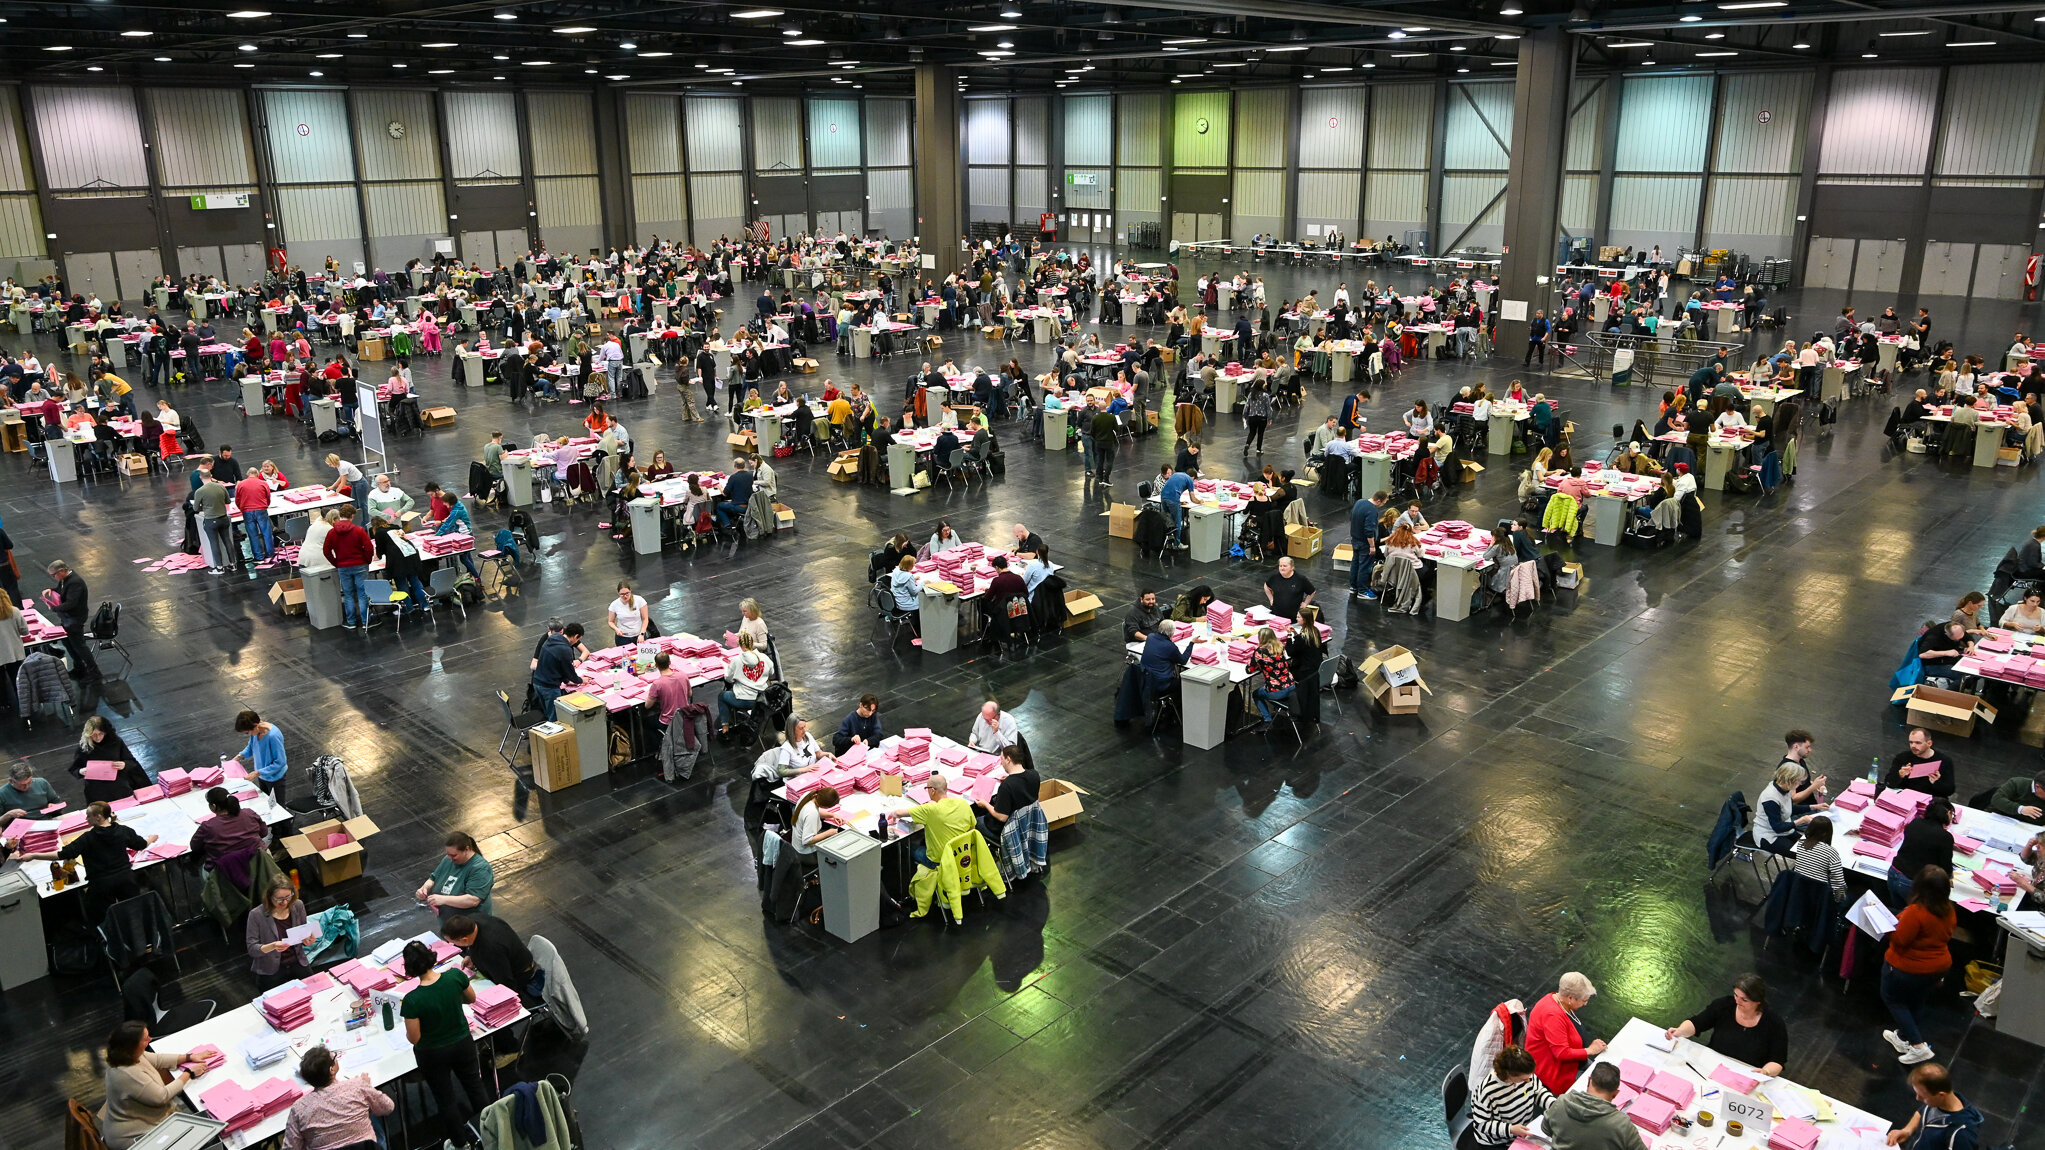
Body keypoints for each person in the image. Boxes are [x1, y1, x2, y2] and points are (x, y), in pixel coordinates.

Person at [398, 940, 491, 1150]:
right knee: (475, 1086)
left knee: (445, 1099)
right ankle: (493, 1131)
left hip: (432, 1054)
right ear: (431, 957)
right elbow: (470, 999)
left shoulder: (412, 1000)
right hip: (462, 1043)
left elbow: (414, 1038)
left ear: (409, 967)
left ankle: (460, 1144)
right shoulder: (455, 976)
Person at [17, 801, 153, 924]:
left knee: (101, 918)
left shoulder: (88, 838)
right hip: (127, 880)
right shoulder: (124, 831)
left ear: (98, 816)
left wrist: (34, 855)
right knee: (134, 915)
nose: (86, 818)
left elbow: (63, 854)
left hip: (101, 886)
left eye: (88, 815)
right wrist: (150, 839)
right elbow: (140, 844)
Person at [1882, 866, 1956, 1065]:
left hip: (1907, 967)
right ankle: (1904, 1037)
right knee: (1917, 1000)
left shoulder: (1916, 912)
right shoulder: (1949, 910)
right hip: (1937, 968)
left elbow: (1900, 940)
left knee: (1894, 999)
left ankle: (1917, 1045)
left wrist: (1887, 926)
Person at [97, 1021, 206, 1150]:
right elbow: (162, 1096)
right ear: (133, 1045)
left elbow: (158, 1059)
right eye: (145, 1039)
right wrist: (189, 1073)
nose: (150, 1039)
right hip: (134, 1138)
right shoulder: (128, 1073)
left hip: (141, 1123)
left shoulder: (128, 1055)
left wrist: (189, 1057)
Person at [1662, 973, 1787, 1077]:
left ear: (1758, 1002)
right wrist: (1680, 1031)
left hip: (1746, 1075)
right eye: (1736, 995)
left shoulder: (1774, 1023)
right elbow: (1697, 1023)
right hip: (1712, 1067)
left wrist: (1765, 1071)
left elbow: (1778, 1060)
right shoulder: (1724, 1006)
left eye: (1744, 1000)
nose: (1737, 1002)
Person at [282, 1045, 394, 1150]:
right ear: (332, 1070)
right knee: (371, 1115)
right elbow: (388, 1107)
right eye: (334, 1057)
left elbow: (290, 1147)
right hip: (366, 1147)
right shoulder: (357, 1086)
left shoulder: (299, 1108)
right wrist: (368, 1089)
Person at [1526, 972, 1606, 1094]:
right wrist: (1591, 1050)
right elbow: (1562, 1053)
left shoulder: (1558, 1001)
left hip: (1576, 1062)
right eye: (1584, 1000)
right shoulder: (1552, 1016)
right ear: (1570, 998)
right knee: (1599, 1092)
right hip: (1556, 1072)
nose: (1586, 1004)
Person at [1468, 1045, 1555, 1149]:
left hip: (1522, 1131)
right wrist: (1511, 1129)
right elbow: (1482, 1125)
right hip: (1498, 1142)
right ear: (1508, 1075)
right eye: (1523, 1079)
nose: (1528, 1081)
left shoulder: (1525, 1075)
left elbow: (1537, 1092)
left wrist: (1555, 1105)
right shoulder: (1487, 1091)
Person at [439, 913, 542, 1000]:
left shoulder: (490, 949)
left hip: (518, 975)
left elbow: (506, 983)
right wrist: (471, 956)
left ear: (464, 940)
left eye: (452, 942)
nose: (450, 944)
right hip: (511, 959)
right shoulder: (474, 920)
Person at [1540, 1062, 1641, 1150]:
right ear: (1615, 1094)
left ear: (1589, 1080)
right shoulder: (1622, 1125)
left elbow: (1546, 1129)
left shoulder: (1561, 1102)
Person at [1885, 1063, 1984, 1150]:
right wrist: (1907, 1131)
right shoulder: (1938, 1100)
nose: (1917, 1098)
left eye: (1923, 1096)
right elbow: (1922, 1112)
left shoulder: (1961, 1135)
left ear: (1941, 1095)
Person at [888, 772, 977, 867]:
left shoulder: (930, 809)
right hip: (962, 856)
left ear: (933, 791)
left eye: (927, 788)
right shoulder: (963, 803)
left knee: (906, 846)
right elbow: (972, 830)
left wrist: (891, 814)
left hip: (939, 861)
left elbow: (898, 813)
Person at [246, 875, 314, 988]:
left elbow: (302, 933)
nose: (284, 902)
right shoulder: (256, 915)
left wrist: (307, 940)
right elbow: (252, 949)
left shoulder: (298, 905)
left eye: (288, 897)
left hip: (297, 962)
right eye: (279, 899)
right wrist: (273, 946)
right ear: (269, 896)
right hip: (271, 970)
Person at [1890, 798, 1957, 908]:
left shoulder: (1915, 823)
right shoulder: (1945, 837)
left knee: (1898, 914)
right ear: (1948, 813)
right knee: (1913, 919)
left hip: (1894, 873)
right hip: (1912, 882)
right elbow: (1945, 869)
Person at [415, 831, 494, 919]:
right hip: (450, 922)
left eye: (454, 855)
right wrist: (424, 888)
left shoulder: (480, 868)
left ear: (466, 850)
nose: (450, 858)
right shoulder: (448, 860)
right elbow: (433, 878)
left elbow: (473, 900)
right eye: (448, 854)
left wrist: (443, 899)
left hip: (470, 923)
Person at [42, 559, 99, 680]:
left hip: (75, 618)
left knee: (79, 645)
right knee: (67, 642)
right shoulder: (64, 580)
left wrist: (54, 608)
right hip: (68, 618)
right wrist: (51, 590)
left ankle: (94, 671)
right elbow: (61, 590)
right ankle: (79, 667)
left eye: (54, 575)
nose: (53, 577)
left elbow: (71, 603)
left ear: (62, 571)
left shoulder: (75, 582)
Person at [322, 506, 375, 630]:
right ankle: (365, 621)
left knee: (348, 594)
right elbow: (369, 548)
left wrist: (336, 563)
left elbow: (326, 551)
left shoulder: (332, 532)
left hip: (343, 567)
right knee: (362, 594)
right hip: (360, 565)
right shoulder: (359, 530)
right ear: (352, 516)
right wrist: (367, 560)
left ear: (340, 516)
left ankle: (351, 622)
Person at [1755, 762, 1828, 853]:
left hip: (1785, 829)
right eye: (1799, 782)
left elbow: (1789, 808)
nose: (1800, 784)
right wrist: (1801, 820)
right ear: (1790, 780)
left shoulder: (1786, 789)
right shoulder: (1770, 799)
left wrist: (1814, 806)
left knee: (1814, 848)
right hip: (1769, 835)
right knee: (1805, 854)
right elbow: (1777, 827)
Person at [190, 786, 269, 866]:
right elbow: (264, 832)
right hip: (261, 864)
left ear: (213, 806)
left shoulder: (208, 827)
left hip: (228, 871)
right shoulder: (249, 813)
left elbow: (195, 847)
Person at [718, 631, 775, 734]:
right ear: (752, 643)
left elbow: (728, 679)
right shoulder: (764, 658)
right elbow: (772, 672)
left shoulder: (736, 660)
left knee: (722, 696)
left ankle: (725, 726)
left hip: (743, 699)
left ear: (739, 645)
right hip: (761, 700)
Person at [530, 621, 584, 721]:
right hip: (549, 687)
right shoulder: (565, 649)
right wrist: (581, 680)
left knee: (547, 713)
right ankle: (555, 735)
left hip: (537, 682)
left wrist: (567, 681)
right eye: (578, 639)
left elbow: (558, 666)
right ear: (576, 636)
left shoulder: (552, 639)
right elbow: (570, 673)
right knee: (555, 717)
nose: (577, 642)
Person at [233, 709, 289, 802]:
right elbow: (251, 747)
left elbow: (280, 762)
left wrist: (257, 773)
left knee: (275, 807)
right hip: (262, 776)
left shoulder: (273, 736)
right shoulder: (255, 732)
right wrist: (239, 757)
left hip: (275, 779)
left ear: (255, 726)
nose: (248, 734)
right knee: (266, 802)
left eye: (247, 732)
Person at [1245, 627, 1295, 730]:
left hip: (1277, 691)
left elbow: (1249, 670)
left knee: (1256, 694)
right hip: (1291, 685)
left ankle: (1267, 720)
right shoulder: (1280, 646)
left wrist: (1251, 663)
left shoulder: (1260, 652)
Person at [1886, 727, 1957, 799]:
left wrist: (1936, 782)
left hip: (1931, 801)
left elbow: (1950, 791)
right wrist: (1899, 775)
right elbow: (1889, 783)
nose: (1913, 746)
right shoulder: (1902, 757)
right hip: (1906, 798)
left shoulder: (1944, 761)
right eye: (1911, 742)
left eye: (1918, 743)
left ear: (1929, 743)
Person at [0, 762, 60, 827]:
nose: (27, 787)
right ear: (11, 781)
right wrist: (8, 815)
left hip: (45, 823)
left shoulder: (41, 783)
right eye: (22, 785)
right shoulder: (2, 793)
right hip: (20, 828)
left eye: (29, 782)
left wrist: (55, 806)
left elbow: (58, 803)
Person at [1264, 556, 1315, 621]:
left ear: (1292, 567)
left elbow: (1312, 592)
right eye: (1280, 566)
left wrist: (1305, 603)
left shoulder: (1300, 579)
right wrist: (1271, 599)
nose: (1282, 568)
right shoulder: (1274, 577)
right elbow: (1266, 586)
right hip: (1276, 616)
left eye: (1285, 566)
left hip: (1293, 618)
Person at [609, 581, 650, 648]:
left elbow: (645, 619)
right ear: (618, 593)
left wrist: (642, 634)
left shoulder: (639, 600)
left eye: (627, 593)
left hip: (639, 636)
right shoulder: (614, 605)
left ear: (630, 591)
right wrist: (616, 629)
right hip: (622, 638)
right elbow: (610, 621)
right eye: (622, 594)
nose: (625, 596)